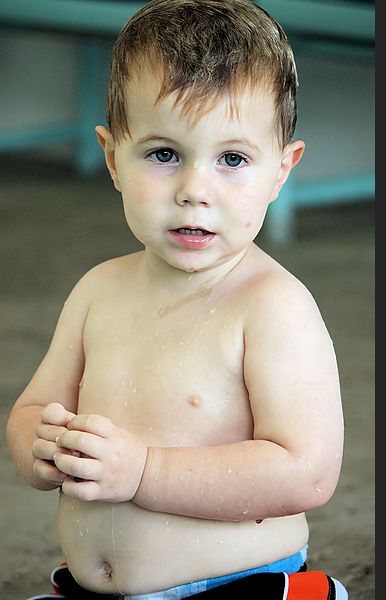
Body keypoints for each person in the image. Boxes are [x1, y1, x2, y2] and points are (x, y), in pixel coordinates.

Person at [6, 1, 347, 598]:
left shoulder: (273, 308)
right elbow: (34, 407)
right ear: (114, 158)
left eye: (233, 160)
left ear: (281, 171)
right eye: (164, 154)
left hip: (234, 586)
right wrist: (40, 444)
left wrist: (143, 472)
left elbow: (307, 473)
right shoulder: (98, 289)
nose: (195, 191)